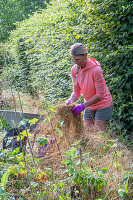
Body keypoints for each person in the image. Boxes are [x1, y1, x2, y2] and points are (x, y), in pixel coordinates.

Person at [66, 43, 113, 132]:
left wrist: (83, 106)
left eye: (77, 59)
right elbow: (76, 93)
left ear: (85, 55)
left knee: (98, 135)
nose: (75, 62)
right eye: (73, 59)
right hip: (89, 105)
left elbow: (100, 95)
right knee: (88, 134)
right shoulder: (74, 69)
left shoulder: (96, 70)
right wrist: (70, 100)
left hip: (103, 104)